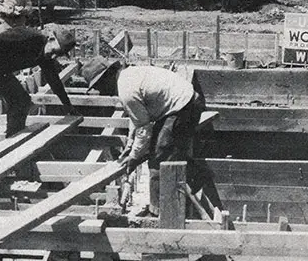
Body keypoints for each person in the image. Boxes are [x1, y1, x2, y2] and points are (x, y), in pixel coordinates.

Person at [80, 58, 220, 217]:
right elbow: (138, 121)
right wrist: (130, 148)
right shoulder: (128, 76)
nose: (100, 91)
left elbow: (144, 130)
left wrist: (134, 157)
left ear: (107, 77)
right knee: (161, 150)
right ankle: (194, 176)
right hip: (184, 102)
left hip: (184, 108)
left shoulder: (127, 91)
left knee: (158, 159)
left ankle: (158, 213)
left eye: (98, 86)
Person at [0, 27, 79, 160]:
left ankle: (13, 138)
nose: (54, 56)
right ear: (50, 39)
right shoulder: (29, 37)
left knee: (21, 100)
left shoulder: (46, 57)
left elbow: (54, 82)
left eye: (59, 54)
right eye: (54, 51)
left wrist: (68, 106)